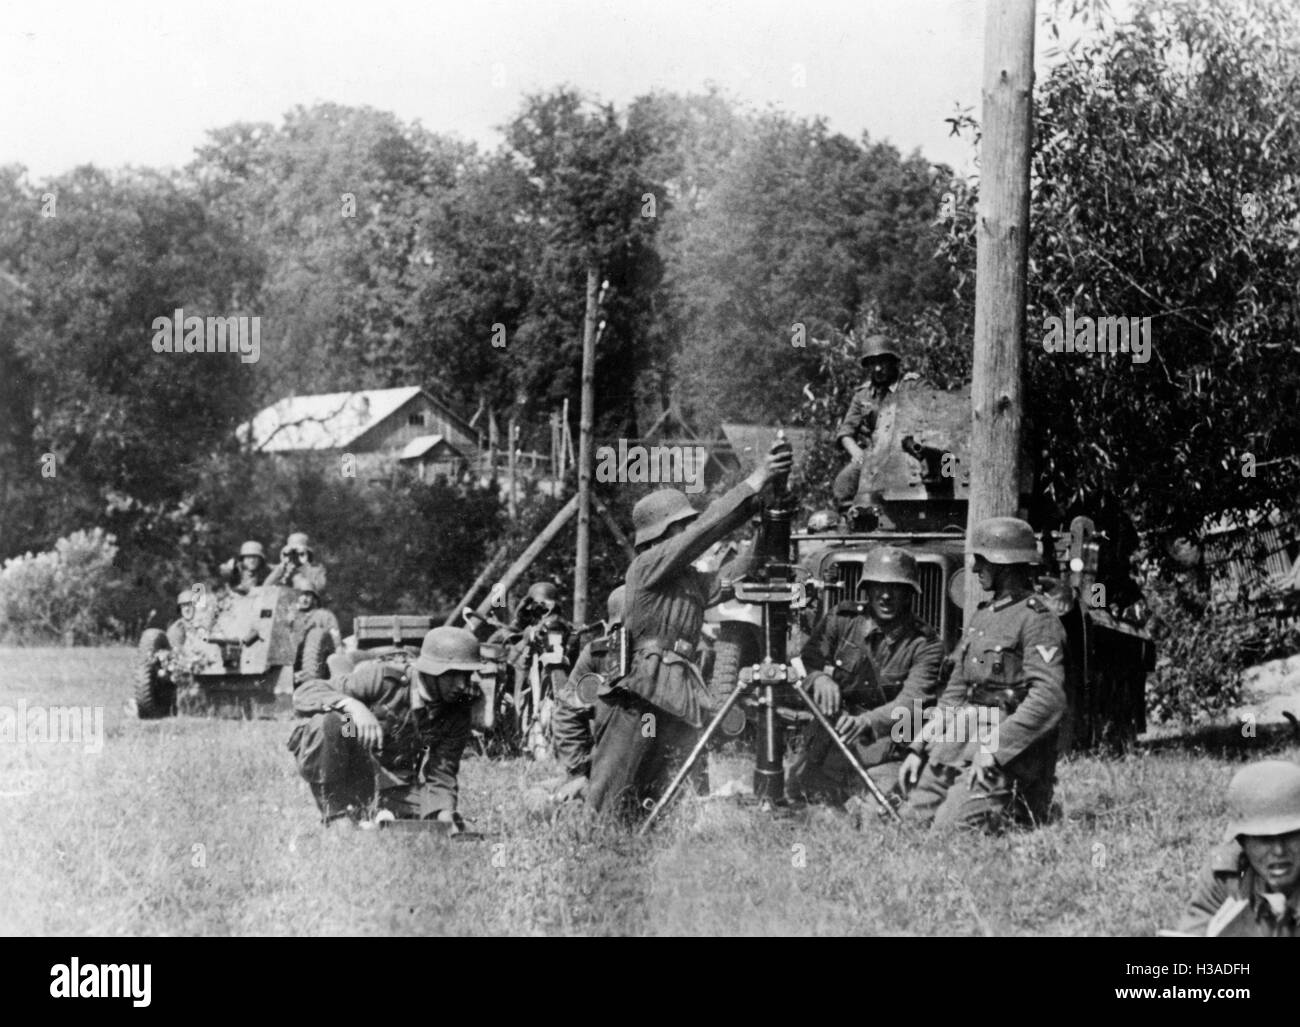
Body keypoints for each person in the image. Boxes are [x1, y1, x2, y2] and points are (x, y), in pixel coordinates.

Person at [586, 439, 793, 820]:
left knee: (662, 801)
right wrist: (756, 480)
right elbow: (704, 532)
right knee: (607, 803)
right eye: (681, 528)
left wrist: (766, 520)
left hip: (676, 696)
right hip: (640, 695)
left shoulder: (687, 582)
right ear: (661, 536)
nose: (689, 535)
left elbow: (738, 570)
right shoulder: (645, 568)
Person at [897, 516, 1067, 832]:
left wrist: (995, 749)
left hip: (1010, 749)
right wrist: (918, 748)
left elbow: (1049, 698)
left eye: (981, 561)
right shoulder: (981, 616)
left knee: (948, 833)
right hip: (965, 734)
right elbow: (954, 695)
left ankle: (1020, 807)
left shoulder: (1037, 619)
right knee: (907, 825)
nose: (974, 570)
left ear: (1003, 564)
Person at [787, 546, 945, 805]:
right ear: (867, 589)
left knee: (875, 809)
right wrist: (819, 679)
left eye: (895, 588)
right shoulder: (842, 619)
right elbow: (806, 660)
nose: (885, 595)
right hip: (830, 738)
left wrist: (867, 722)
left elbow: (912, 703)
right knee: (797, 799)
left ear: (909, 594)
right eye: (877, 586)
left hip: (885, 748)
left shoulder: (925, 644)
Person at [287, 626, 482, 829]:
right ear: (430, 671)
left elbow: (442, 772)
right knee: (332, 722)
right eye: (453, 675)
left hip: (392, 784)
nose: (461, 685)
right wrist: (353, 706)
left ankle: (371, 812)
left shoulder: (456, 711)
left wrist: (443, 816)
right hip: (349, 769)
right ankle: (336, 814)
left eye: (466, 676)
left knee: (434, 811)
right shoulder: (383, 680)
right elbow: (305, 692)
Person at [1173, 760, 1300, 937]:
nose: (1279, 851)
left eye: (1290, 836)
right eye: (1264, 839)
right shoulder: (1228, 875)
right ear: (1242, 841)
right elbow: (1196, 929)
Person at [548, 585, 626, 804]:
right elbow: (568, 711)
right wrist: (579, 769)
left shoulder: (662, 659)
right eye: (621, 630)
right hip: (602, 757)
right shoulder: (597, 654)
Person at [832, 335, 915, 526]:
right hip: (874, 455)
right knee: (843, 484)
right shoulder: (862, 395)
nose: (877, 369)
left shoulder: (910, 387)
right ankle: (855, 522)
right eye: (872, 364)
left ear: (894, 363)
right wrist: (857, 453)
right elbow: (846, 433)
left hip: (907, 452)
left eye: (883, 363)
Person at [290, 570, 342, 682]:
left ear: (314, 598)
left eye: (308, 595)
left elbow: (337, 644)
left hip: (318, 669)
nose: (304, 599)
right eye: (300, 595)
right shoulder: (289, 616)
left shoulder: (324, 616)